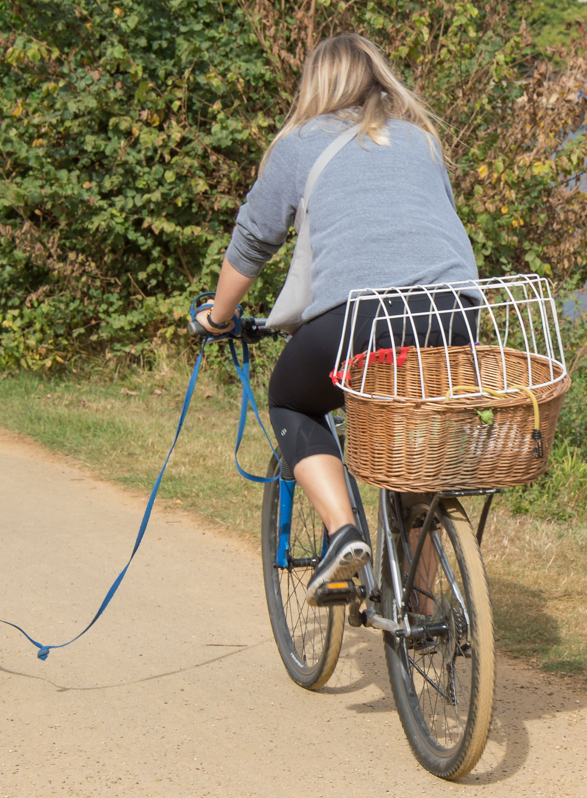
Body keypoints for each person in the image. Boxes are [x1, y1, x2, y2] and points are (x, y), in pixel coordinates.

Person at [195, 33, 478, 603]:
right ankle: (423, 609)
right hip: (456, 312)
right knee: (410, 445)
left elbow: (252, 243)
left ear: (316, 84)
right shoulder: (422, 140)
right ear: (379, 77)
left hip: (361, 319)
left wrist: (217, 316)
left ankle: (342, 533)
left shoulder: (300, 143)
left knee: (292, 400)